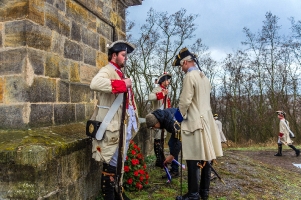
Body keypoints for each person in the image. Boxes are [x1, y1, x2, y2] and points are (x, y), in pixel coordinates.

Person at [166, 47, 223, 200]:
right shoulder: (204, 77)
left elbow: (185, 102)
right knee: (206, 158)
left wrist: (176, 118)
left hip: (194, 122)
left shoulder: (190, 77)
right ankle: (204, 192)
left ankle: (193, 194)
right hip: (207, 121)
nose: (181, 69)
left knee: (192, 158)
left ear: (185, 62)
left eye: (181, 66)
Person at [89, 40, 140, 200]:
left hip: (120, 127)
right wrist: (122, 84)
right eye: (123, 55)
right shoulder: (107, 70)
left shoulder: (119, 73)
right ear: (114, 55)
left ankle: (118, 194)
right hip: (110, 127)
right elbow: (95, 83)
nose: (125, 58)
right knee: (110, 165)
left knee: (118, 164)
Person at [145, 108, 181, 178]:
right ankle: (174, 169)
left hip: (183, 126)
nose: (154, 128)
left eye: (153, 126)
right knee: (171, 143)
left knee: (174, 144)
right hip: (177, 128)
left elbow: (179, 139)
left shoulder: (170, 122)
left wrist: (172, 155)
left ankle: (175, 171)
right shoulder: (161, 116)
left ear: (157, 122)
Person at [148, 72, 172, 168]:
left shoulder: (166, 90)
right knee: (158, 138)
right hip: (158, 117)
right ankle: (159, 160)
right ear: (162, 81)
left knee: (162, 137)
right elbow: (150, 97)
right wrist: (162, 94)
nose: (168, 81)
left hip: (165, 117)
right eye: (167, 80)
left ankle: (162, 158)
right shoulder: (157, 89)